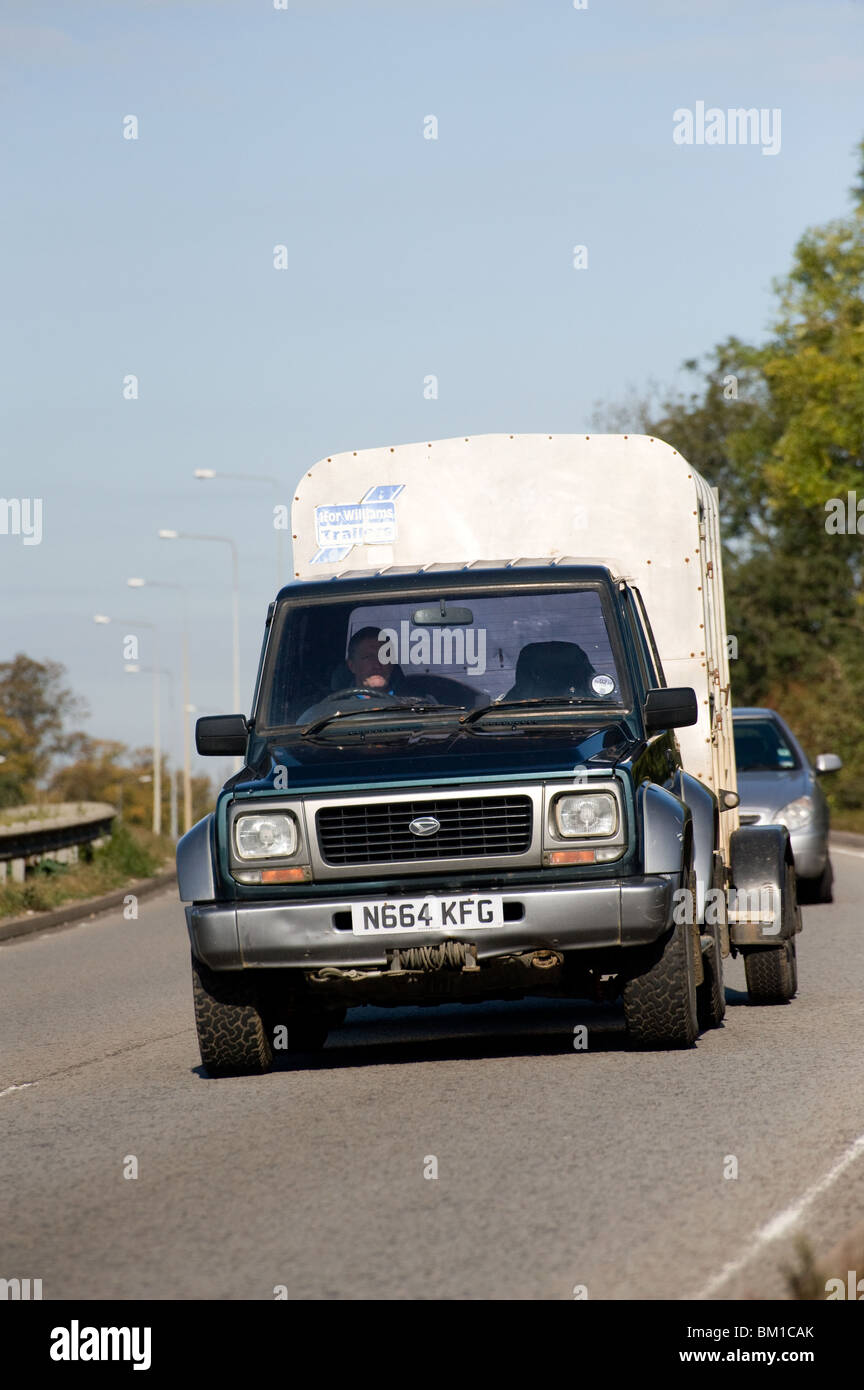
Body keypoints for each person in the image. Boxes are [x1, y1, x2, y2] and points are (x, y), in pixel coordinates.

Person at [296, 626, 413, 724]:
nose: (377, 664)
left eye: (384, 657)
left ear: (392, 663)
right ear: (352, 666)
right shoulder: (329, 711)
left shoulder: (414, 706)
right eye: (368, 658)